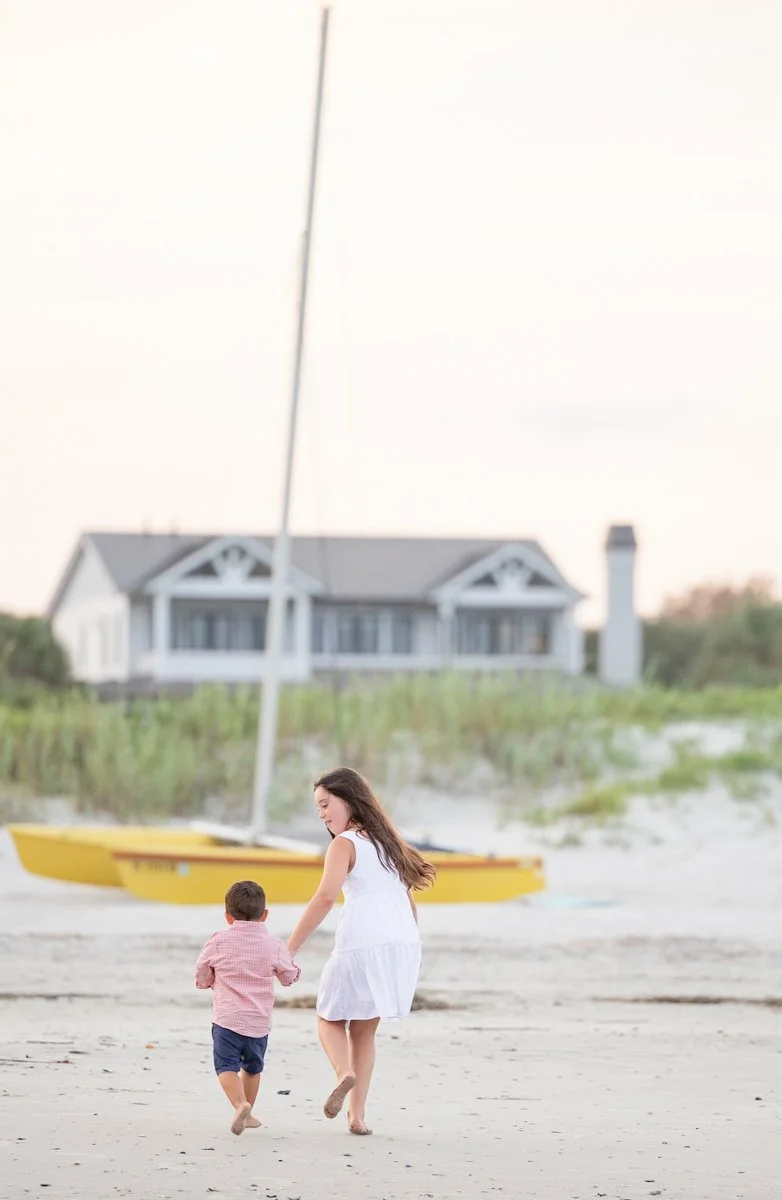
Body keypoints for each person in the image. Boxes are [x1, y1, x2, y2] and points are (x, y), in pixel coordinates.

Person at [287, 767, 436, 1135]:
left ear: (348, 798)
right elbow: (408, 900)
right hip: (401, 943)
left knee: (329, 1018)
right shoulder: (390, 841)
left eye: (325, 804)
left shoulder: (344, 844)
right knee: (365, 1032)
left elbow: (324, 898)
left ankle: (344, 1073)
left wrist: (288, 949)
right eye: (318, 809)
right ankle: (357, 1117)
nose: (322, 814)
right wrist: (405, 947)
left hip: (363, 941)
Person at [195, 879, 300, 1135]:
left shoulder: (218, 940)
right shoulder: (274, 944)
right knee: (252, 1068)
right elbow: (288, 977)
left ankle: (239, 1104)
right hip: (258, 1022)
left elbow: (202, 970)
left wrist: (207, 982)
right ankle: (249, 1111)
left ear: (228, 916)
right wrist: (294, 970)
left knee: (225, 1067)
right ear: (264, 915)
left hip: (226, 1020)